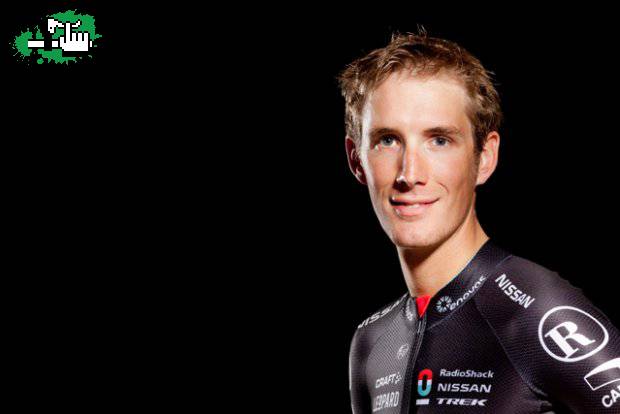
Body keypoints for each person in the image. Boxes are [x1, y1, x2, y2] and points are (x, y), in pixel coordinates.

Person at [338, 30, 620, 413]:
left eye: (439, 140)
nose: (410, 174)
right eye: (388, 140)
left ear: (484, 158)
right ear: (357, 160)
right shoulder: (371, 343)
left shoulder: (537, 313)